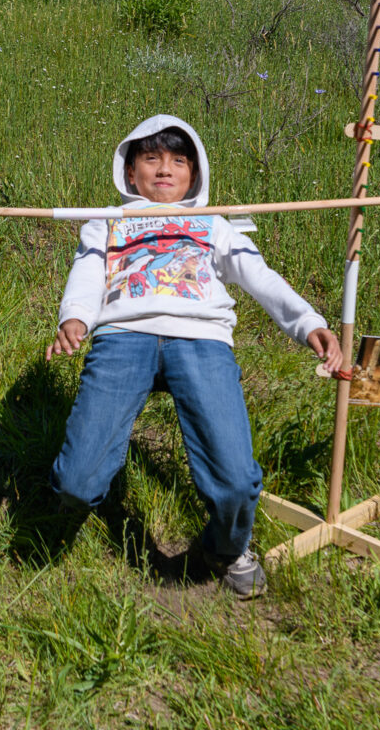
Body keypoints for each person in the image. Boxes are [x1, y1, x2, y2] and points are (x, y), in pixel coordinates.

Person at [47, 114, 343, 599]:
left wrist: (308, 322)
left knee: (234, 484)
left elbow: (259, 276)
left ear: (194, 174)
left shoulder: (212, 224)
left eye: (178, 161)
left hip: (201, 340)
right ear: (130, 172)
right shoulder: (107, 221)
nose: (164, 170)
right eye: (151, 159)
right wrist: (75, 318)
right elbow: (86, 273)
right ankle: (75, 508)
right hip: (124, 335)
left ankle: (226, 549)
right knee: (74, 482)